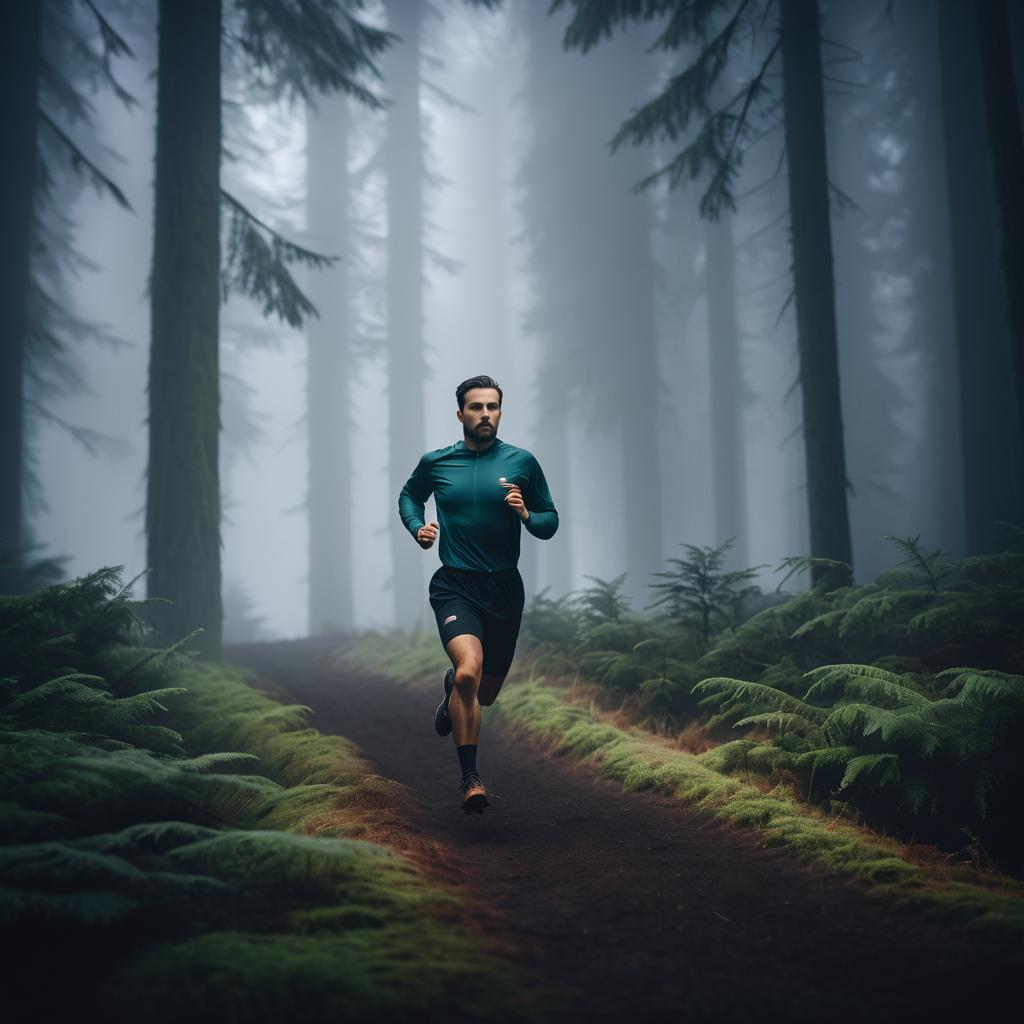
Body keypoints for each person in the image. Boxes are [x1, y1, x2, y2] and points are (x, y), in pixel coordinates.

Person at [397, 375, 559, 814]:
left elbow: (550, 521)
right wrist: (419, 528)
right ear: (460, 414)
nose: (485, 414)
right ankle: (470, 779)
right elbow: (409, 497)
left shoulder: (522, 462)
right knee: (471, 669)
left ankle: (453, 689)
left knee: (482, 694)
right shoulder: (437, 462)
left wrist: (526, 513)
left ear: (500, 412)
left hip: (504, 588)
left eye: (492, 407)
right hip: (455, 585)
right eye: (476, 407)